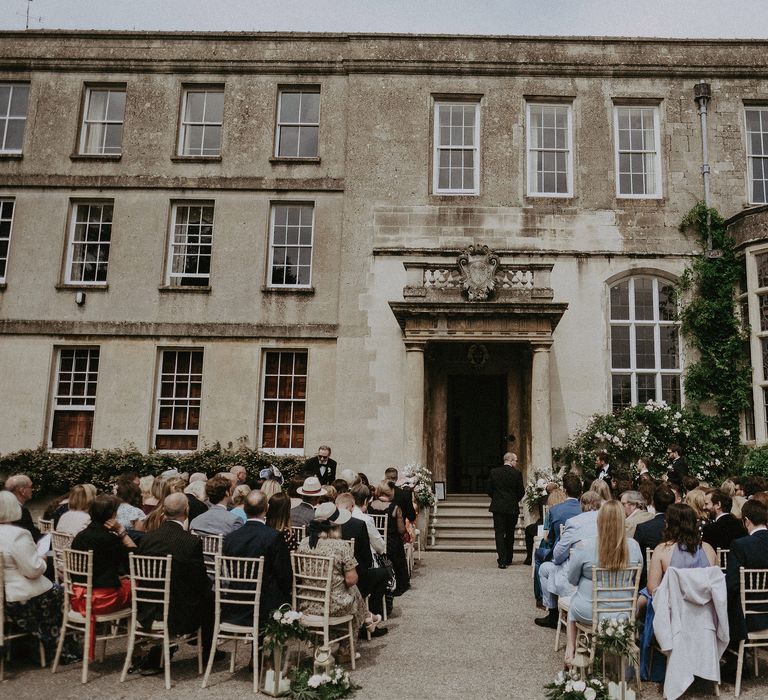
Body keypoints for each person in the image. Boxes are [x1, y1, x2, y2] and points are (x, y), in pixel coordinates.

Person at [136, 493, 217, 674]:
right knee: (210, 596)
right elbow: (199, 581)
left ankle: (161, 651)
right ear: (186, 510)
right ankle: (208, 651)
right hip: (176, 614)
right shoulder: (190, 541)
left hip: (146, 609)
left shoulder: (147, 538)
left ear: (163, 511)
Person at [0, 490, 80, 664]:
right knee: (60, 592)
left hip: (4, 596)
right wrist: (42, 558)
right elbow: (33, 570)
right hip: (20, 597)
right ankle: (60, 647)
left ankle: (27, 645)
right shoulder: (17, 535)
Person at [563, 500, 643, 665]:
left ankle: (570, 649)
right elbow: (636, 579)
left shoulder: (584, 546)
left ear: (599, 521)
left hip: (590, 612)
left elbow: (571, 579)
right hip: (624, 614)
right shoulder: (634, 546)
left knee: (572, 603)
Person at [296, 502, 376, 659]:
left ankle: (320, 646)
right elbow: (352, 579)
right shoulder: (341, 546)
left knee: (350, 592)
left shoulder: (304, 543)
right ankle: (346, 649)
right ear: (336, 525)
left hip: (306, 604)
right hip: (333, 605)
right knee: (352, 592)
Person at [70, 494, 135, 660]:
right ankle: (139, 645)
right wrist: (121, 532)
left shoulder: (80, 536)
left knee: (125, 583)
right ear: (112, 515)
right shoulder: (109, 539)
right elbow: (135, 558)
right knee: (138, 588)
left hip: (78, 597)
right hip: (102, 600)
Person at [222, 490, 293, 625]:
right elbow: (284, 574)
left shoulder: (230, 538)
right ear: (266, 509)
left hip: (234, 603)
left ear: (245, 508)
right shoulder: (274, 537)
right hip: (264, 606)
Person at [536, 491, 602, 629]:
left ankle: (553, 614)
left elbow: (559, 553)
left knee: (544, 569)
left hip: (577, 576)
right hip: (603, 573)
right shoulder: (607, 519)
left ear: (581, 505)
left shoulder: (574, 523)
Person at [337, 492, 389, 628]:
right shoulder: (358, 524)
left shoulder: (329, 524)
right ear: (352, 506)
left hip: (334, 577)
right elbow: (366, 558)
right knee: (383, 573)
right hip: (355, 578)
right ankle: (372, 615)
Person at [647, 503, 717, 597]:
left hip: (673, 608)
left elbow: (652, 589)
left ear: (669, 524)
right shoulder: (708, 549)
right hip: (704, 608)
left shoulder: (662, 550)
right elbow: (717, 583)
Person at [726, 499, 768, 646]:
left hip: (748, 617)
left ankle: (733, 661)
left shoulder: (740, 545)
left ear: (746, 521)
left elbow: (732, 584)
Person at [369, 480, 410, 595]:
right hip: (391, 543)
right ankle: (400, 585)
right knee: (399, 550)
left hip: (375, 542)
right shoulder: (395, 508)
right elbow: (401, 529)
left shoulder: (370, 505)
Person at [486, 452, 524, 569]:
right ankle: (508, 558)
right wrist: (514, 500)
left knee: (499, 533)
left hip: (498, 507)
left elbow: (489, 490)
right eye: (516, 461)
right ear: (511, 460)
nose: (516, 463)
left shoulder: (494, 472)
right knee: (510, 533)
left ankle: (501, 560)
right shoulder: (517, 474)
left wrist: (497, 498)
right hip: (512, 507)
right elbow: (521, 491)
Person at [634, 484, 676, 588]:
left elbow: (637, 556)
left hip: (647, 580)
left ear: (653, 503)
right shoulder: (679, 528)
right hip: (674, 578)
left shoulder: (643, 528)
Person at [349, 483, 386, 555]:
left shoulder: (344, 515)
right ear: (366, 500)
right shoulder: (366, 520)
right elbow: (380, 546)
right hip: (362, 558)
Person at [4, 473, 42, 542]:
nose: (32, 490)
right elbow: (32, 536)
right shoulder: (21, 511)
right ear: (22, 491)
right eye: (30, 487)